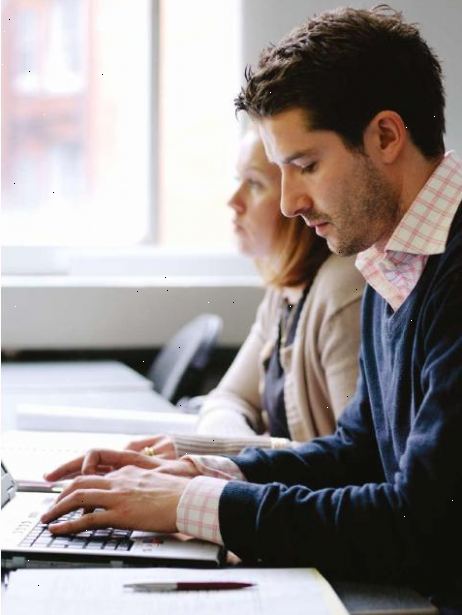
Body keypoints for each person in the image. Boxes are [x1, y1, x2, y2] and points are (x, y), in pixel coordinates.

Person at [42, 6, 462, 610]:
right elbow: (357, 453)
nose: (290, 203)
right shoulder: (394, 261)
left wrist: (197, 506)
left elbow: (421, 525)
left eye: (306, 166)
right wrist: (210, 475)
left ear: (387, 137)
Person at [128, 129, 363, 460]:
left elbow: (351, 461)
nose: (233, 201)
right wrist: (234, 451)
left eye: (254, 184)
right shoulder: (285, 291)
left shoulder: (342, 289)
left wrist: (235, 454)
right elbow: (228, 400)